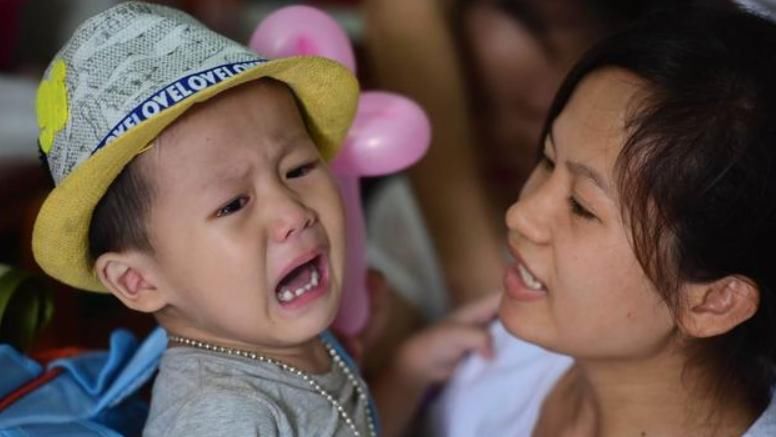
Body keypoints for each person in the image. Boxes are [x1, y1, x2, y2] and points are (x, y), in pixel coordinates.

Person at [31, 2, 497, 435]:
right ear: (137, 280)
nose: (293, 212)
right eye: (234, 204)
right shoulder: (224, 417)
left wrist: (407, 373)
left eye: (298, 169)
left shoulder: (278, 340)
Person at [431, 2, 776, 435]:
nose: (520, 215)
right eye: (547, 160)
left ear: (714, 301)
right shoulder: (504, 349)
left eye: (581, 206)